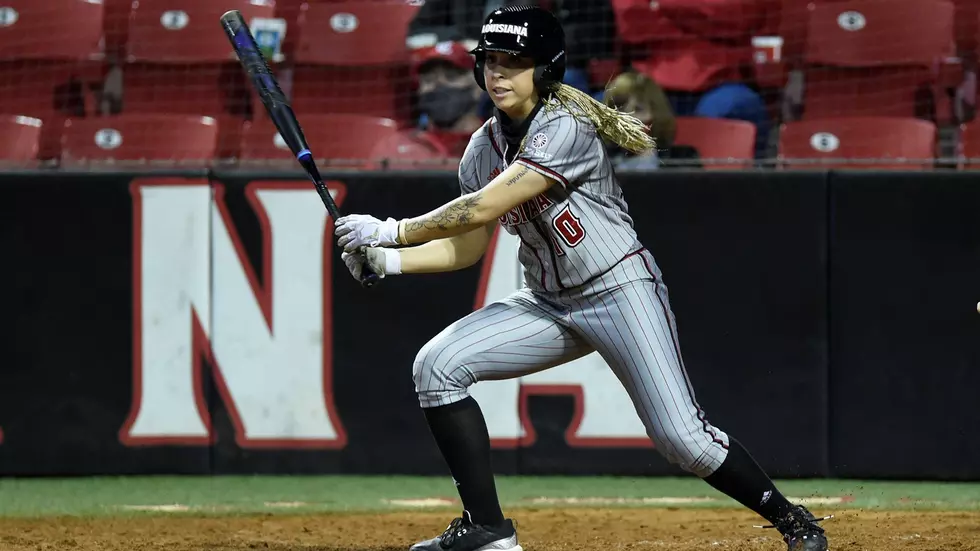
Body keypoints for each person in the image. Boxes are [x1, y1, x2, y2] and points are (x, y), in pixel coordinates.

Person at [334, 6, 832, 551]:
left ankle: (793, 520)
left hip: (619, 291)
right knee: (437, 366)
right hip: (547, 303)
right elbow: (467, 247)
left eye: (514, 62)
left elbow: (481, 209)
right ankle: (487, 530)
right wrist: (390, 262)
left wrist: (393, 231)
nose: (498, 73)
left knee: (682, 441)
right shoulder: (482, 149)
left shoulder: (565, 125)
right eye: (490, 61)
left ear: (545, 68)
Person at [602, 70, 677, 170]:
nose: (626, 117)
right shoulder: (599, 160)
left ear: (656, 114)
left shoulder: (681, 160)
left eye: (638, 109)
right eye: (619, 108)